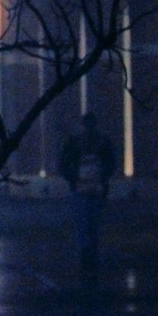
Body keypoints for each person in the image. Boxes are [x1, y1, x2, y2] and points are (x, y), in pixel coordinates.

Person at [57, 112, 116, 295]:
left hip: (82, 190)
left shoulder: (75, 143)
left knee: (85, 227)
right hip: (93, 190)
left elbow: (64, 164)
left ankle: (87, 259)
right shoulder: (101, 143)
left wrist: (73, 178)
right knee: (91, 226)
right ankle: (91, 259)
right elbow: (111, 164)